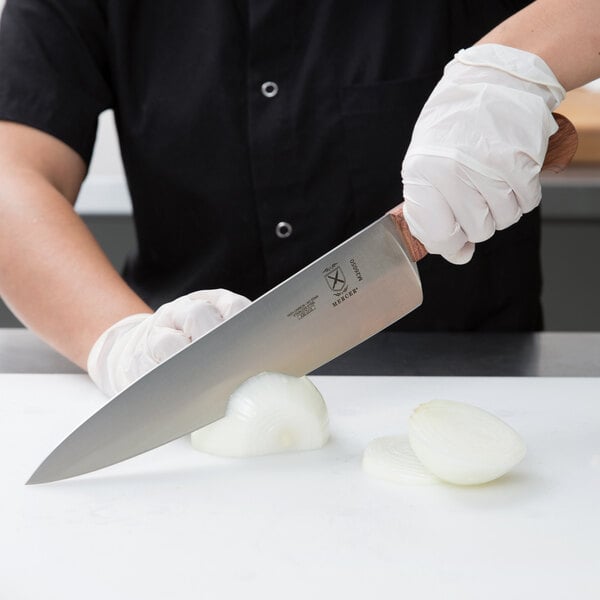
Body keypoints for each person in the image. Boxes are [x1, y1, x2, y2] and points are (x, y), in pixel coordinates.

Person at [0, 1, 596, 396]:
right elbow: (12, 167)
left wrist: (515, 66)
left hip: (475, 382)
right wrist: (121, 343)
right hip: (182, 379)